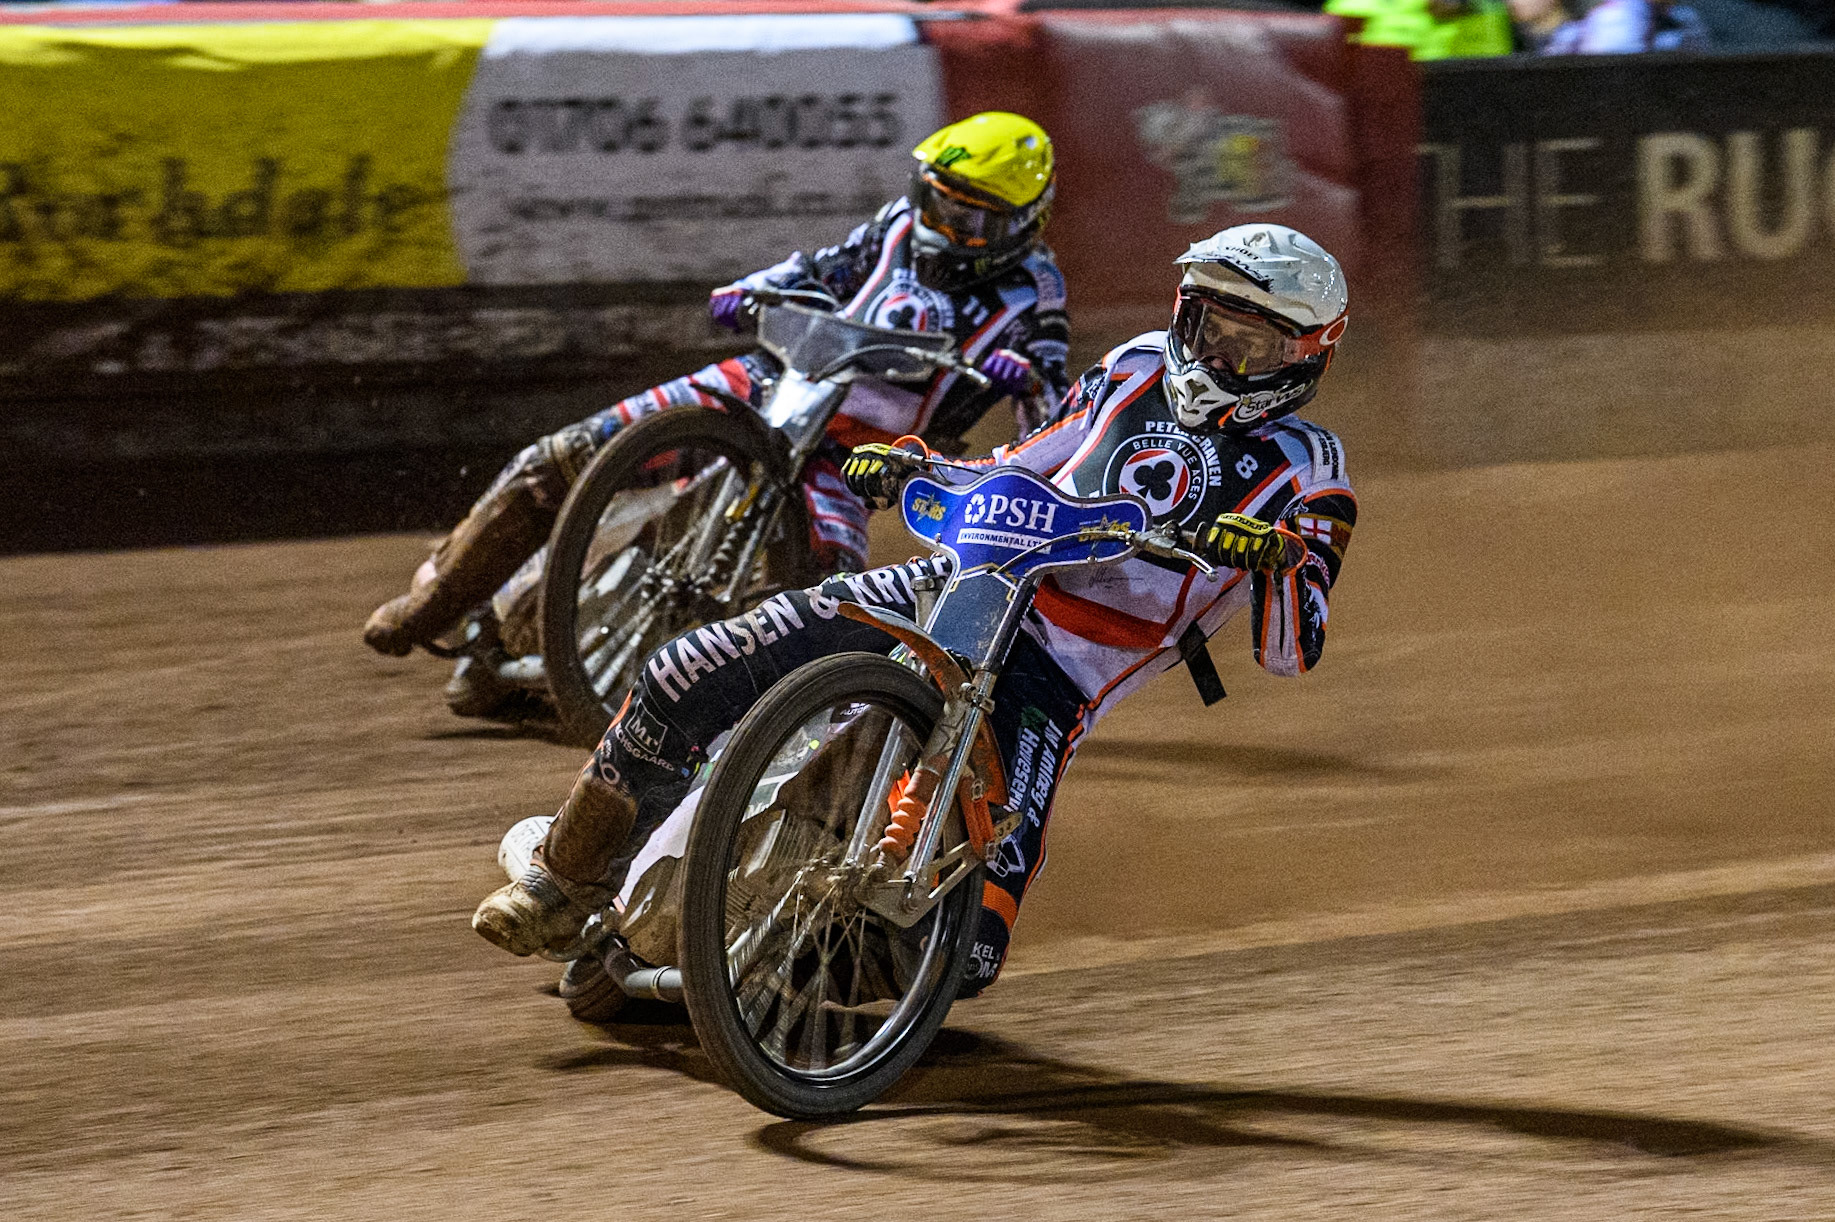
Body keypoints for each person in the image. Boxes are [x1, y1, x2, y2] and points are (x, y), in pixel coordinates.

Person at [471, 223, 1359, 999]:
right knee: (683, 671)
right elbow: (1030, 457)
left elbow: (1293, 651)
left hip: (1054, 671)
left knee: (962, 957)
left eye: (1250, 346)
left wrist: (1275, 556)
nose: (1216, 359)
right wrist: (915, 464)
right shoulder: (1131, 367)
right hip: (961, 584)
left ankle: (768, 981)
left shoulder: (1310, 466)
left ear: (1307, 355)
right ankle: (563, 881)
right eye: (1209, 328)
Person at [363, 112, 1072, 716]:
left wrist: (1025, 377)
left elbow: (1049, 411)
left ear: (1020, 224)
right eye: (940, 201)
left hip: (852, 457)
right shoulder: (894, 225)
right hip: (768, 380)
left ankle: (698, 711)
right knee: (567, 454)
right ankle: (436, 604)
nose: (945, 224)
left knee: (826, 602)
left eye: (972, 216)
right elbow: (816, 268)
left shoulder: (1035, 291)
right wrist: (751, 289)